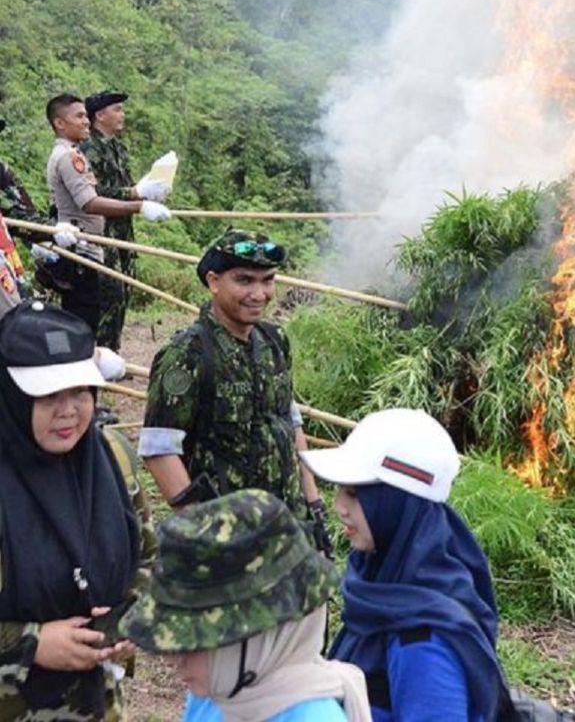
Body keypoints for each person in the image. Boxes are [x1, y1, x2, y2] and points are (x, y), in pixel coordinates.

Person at [300, 408, 508, 722]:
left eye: (355, 494)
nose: (339, 507)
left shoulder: (423, 643)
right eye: (341, 490)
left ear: (398, 505)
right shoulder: (385, 588)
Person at [138, 229, 332, 553]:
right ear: (214, 282)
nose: (259, 293)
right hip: (228, 532)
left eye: (268, 280)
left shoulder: (274, 341)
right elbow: (159, 448)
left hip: (286, 523)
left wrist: (313, 503)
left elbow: (289, 421)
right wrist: (206, 532)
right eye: (244, 280)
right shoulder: (188, 354)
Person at [0, 300, 148, 720]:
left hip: (95, 703)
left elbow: (149, 556)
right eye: (47, 395)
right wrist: (31, 641)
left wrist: (128, 617)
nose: (68, 411)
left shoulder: (112, 460)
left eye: (80, 391)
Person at [120, 488, 370, 721]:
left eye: (193, 642)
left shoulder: (311, 716)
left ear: (257, 638)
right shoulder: (217, 695)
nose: (173, 659)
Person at [44, 93, 171, 334]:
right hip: (82, 247)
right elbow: (89, 202)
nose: (86, 121)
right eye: (80, 116)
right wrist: (138, 204)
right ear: (60, 123)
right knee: (88, 321)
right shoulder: (71, 155)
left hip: (91, 244)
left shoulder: (76, 152)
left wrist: (145, 192)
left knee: (100, 311)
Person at [80, 91, 170, 352]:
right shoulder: (88, 149)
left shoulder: (117, 147)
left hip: (123, 228)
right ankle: (101, 352)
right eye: (117, 109)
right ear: (100, 115)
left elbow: (125, 186)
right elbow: (91, 194)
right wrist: (135, 194)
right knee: (110, 292)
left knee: (126, 289)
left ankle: (113, 350)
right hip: (101, 229)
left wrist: (146, 189)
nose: (123, 114)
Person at [0, 116, 79, 318]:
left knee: (17, 318)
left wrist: (47, 233)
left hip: (3, 258)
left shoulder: (1, 170)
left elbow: (20, 211)